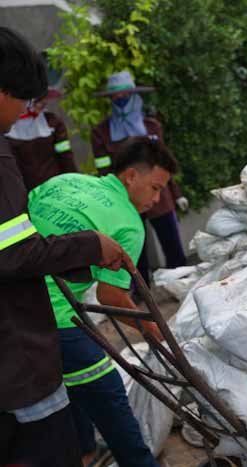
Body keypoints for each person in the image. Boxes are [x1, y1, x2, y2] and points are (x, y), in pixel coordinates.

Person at [0, 27, 133, 467]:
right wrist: (90, 244)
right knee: (59, 431)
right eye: (23, 100)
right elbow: (14, 254)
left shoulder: (50, 130)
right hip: (19, 355)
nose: (25, 113)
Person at [28, 136, 178, 467]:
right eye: (155, 188)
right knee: (110, 400)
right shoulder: (129, 223)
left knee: (70, 388)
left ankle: (85, 451)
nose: (156, 199)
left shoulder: (64, 181)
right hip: (58, 320)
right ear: (130, 177)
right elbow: (110, 296)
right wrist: (155, 331)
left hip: (17, 310)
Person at [91, 71, 188, 285]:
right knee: (135, 247)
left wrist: (176, 193)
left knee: (171, 242)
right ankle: (139, 290)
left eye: (126, 95)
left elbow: (165, 165)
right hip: (127, 200)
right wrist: (112, 203)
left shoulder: (152, 127)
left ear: (135, 96)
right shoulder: (102, 133)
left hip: (159, 196)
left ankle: (183, 282)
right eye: (116, 97)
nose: (121, 100)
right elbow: (104, 171)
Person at [5, 87, 78, 191]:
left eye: (44, 102)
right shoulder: (7, 128)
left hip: (56, 188)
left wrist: (75, 183)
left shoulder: (52, 122)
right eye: (39, 102)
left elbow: (66, 157)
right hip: (24, 192)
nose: (43, 105)